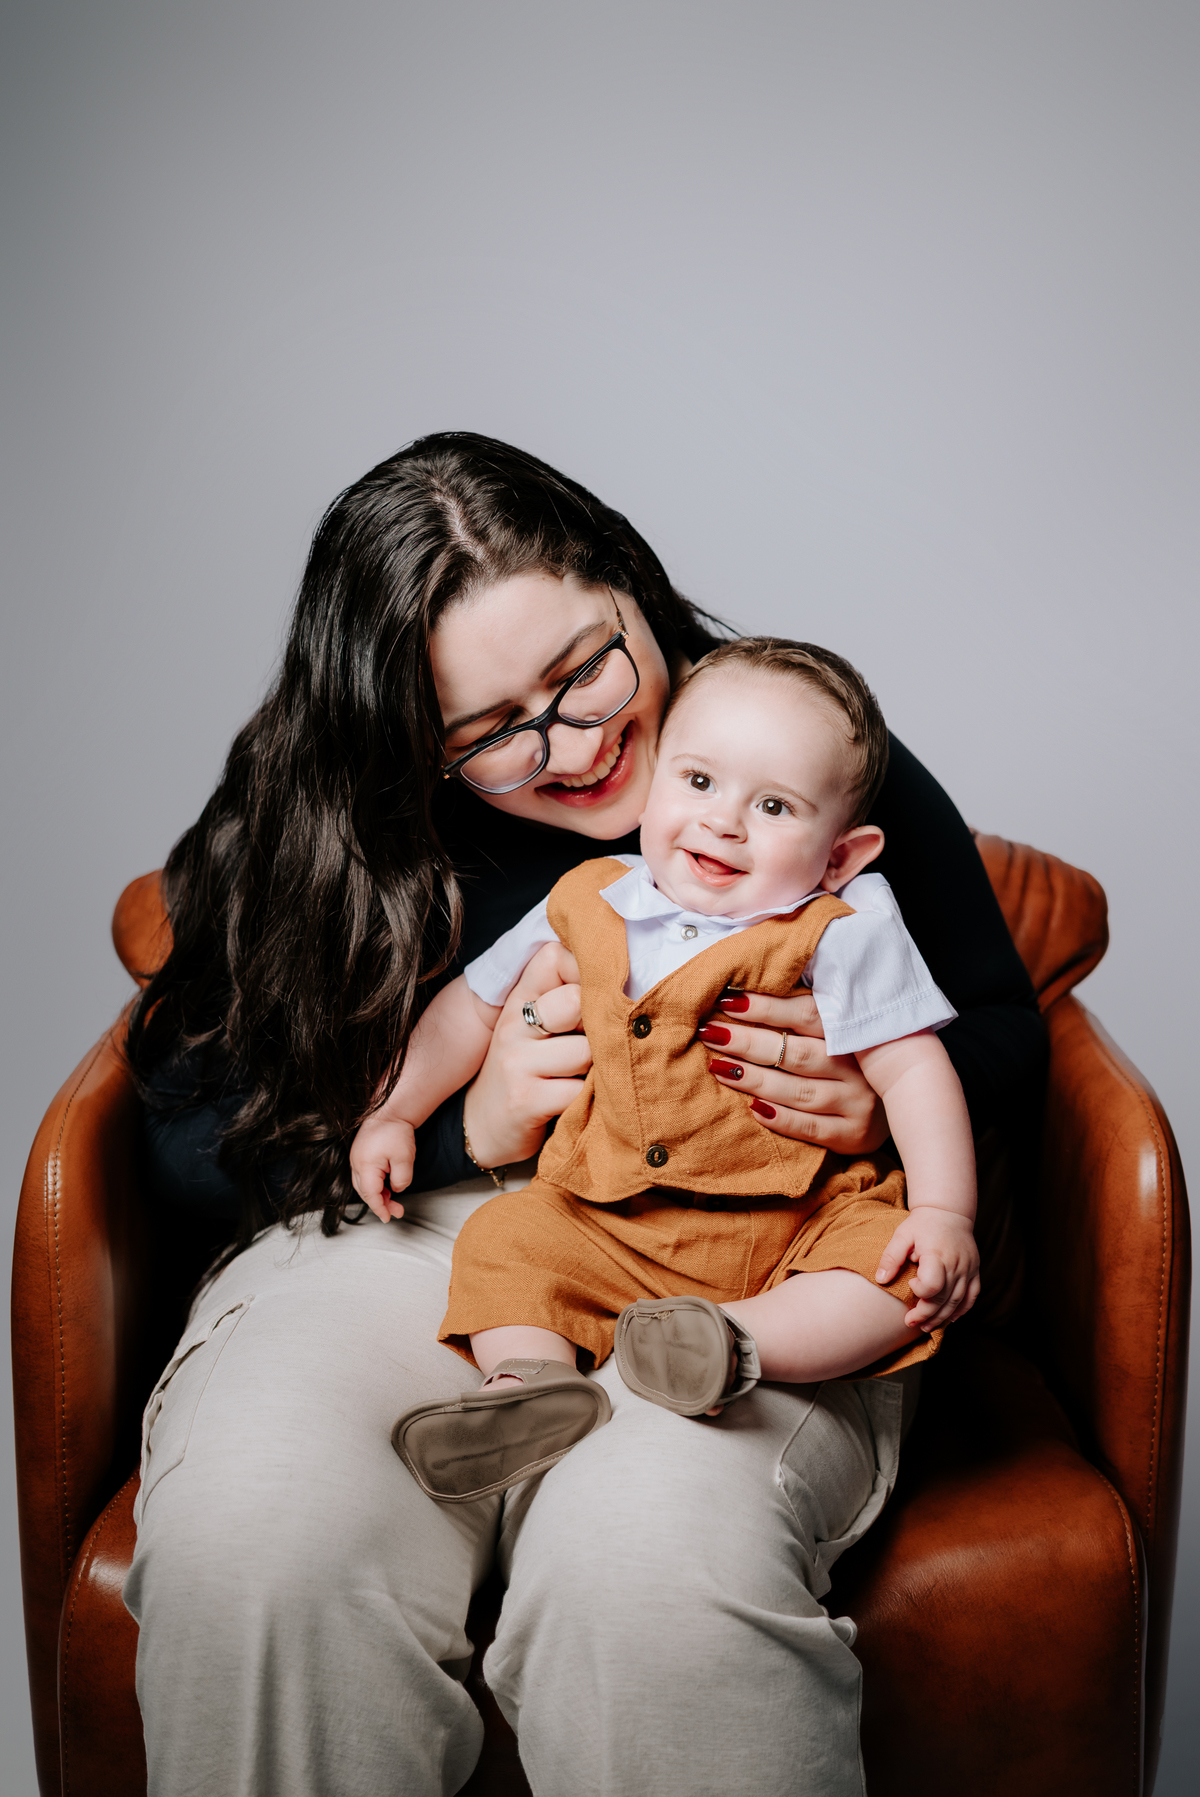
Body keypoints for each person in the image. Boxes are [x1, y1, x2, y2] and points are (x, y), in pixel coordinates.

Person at [122, 432, 1045, 1797]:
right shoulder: (333, 822)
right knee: (262, 1535)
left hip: (761, 1243)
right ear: (412, 743)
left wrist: (871, 1104)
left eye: (585, 670)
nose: (576, 742)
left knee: (647, 1560)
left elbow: (1007, 1036)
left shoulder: (787, 736)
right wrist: (470, 1125)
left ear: (630, 586)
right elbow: (182, 1138)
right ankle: (516, 1394)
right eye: (492, 732)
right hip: (422, 1234)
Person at [355, 636, 980, 1504]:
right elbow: (473, 1007)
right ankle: (528, 1384)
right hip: (610, 1218)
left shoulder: (841, 930)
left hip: (795, 1226)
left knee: (895, 1275)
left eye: (774, 805)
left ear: (841, 855)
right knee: (504, 1240)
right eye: (699, 781)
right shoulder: (592, 896)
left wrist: (946, 1212)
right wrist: (395, 1112)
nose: (724, 821)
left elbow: (914, 1072)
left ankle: (733, 1343)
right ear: (657, 785)